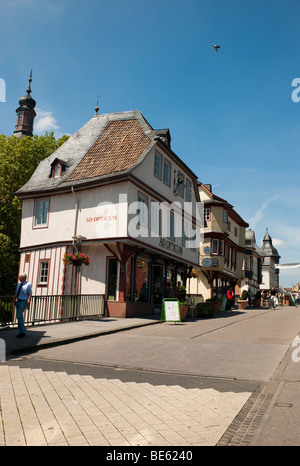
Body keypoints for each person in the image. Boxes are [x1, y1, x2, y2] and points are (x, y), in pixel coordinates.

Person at [12, 273, 32, 338]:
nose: (19, 279)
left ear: (23, 278)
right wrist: (13, 301)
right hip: (18, 301)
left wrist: (28, 303)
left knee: (19, 315)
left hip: (23, 301)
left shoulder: (28, 285)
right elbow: (16, 293)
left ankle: (22, 331)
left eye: (20, 278)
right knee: (19, 317)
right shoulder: (19, 284)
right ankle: (21, 332)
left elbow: (30, 294)